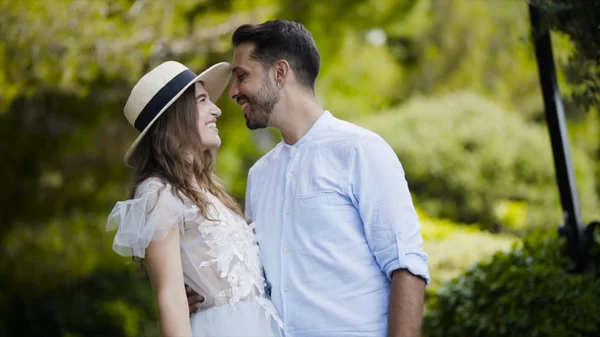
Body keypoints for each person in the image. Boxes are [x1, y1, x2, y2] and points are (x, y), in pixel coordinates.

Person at [187, 19, 431, 337]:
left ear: (280, 72)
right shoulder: (259, 175)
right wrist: (206, 292)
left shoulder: (360, 150)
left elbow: (406, 266)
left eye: (242, 76)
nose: (233, 92)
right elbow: (255, 279)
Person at [106, 60, 284, 337]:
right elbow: (171, 298)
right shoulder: (159, 193)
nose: (217, 109)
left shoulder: (209, 190)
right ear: (177, 115)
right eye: (203, 101)